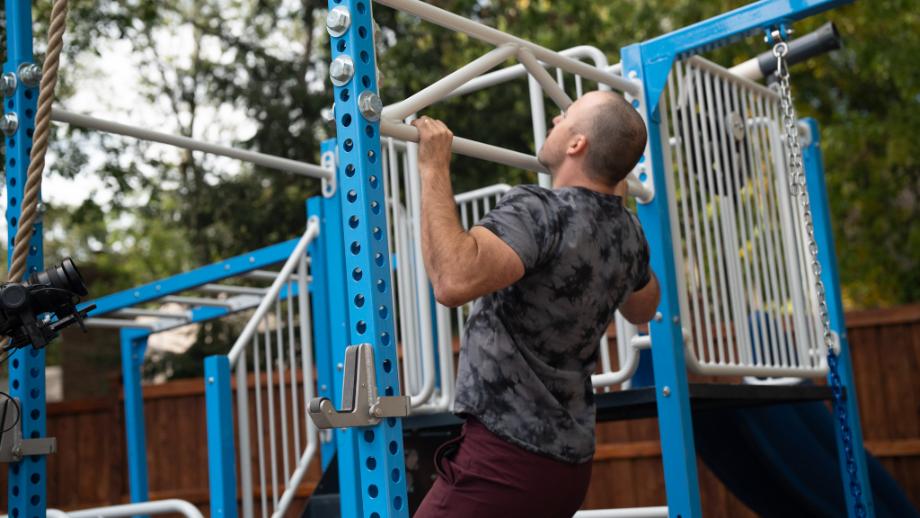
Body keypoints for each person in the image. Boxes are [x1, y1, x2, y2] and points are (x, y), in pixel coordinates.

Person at [411, 90, 660, 518]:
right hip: (568, 466)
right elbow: (642, 309)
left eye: (565, 117)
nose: (556, 119)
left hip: (504, 460)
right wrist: (615, 204)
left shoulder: (540, 210)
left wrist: (434, 167)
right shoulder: (628, 233)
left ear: (576, 144)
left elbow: (452, 281)